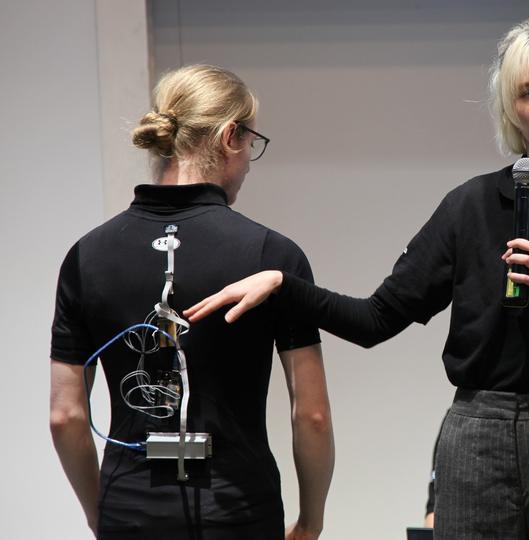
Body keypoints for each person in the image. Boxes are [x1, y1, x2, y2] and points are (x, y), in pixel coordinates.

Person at [186, 20, 529, 540]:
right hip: (477, 442)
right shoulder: (471, 207)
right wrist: (284, 284)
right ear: (511, 109)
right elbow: (376, 319)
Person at [49, 65, 334, 540]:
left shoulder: (87, 255)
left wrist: (103, 513)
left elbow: (66, 415)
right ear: (230, 137)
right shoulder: (272, 258)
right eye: (252, 145)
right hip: (239, 512)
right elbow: (312, 415)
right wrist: (310, 521)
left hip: (129, 509)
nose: (248, 164)